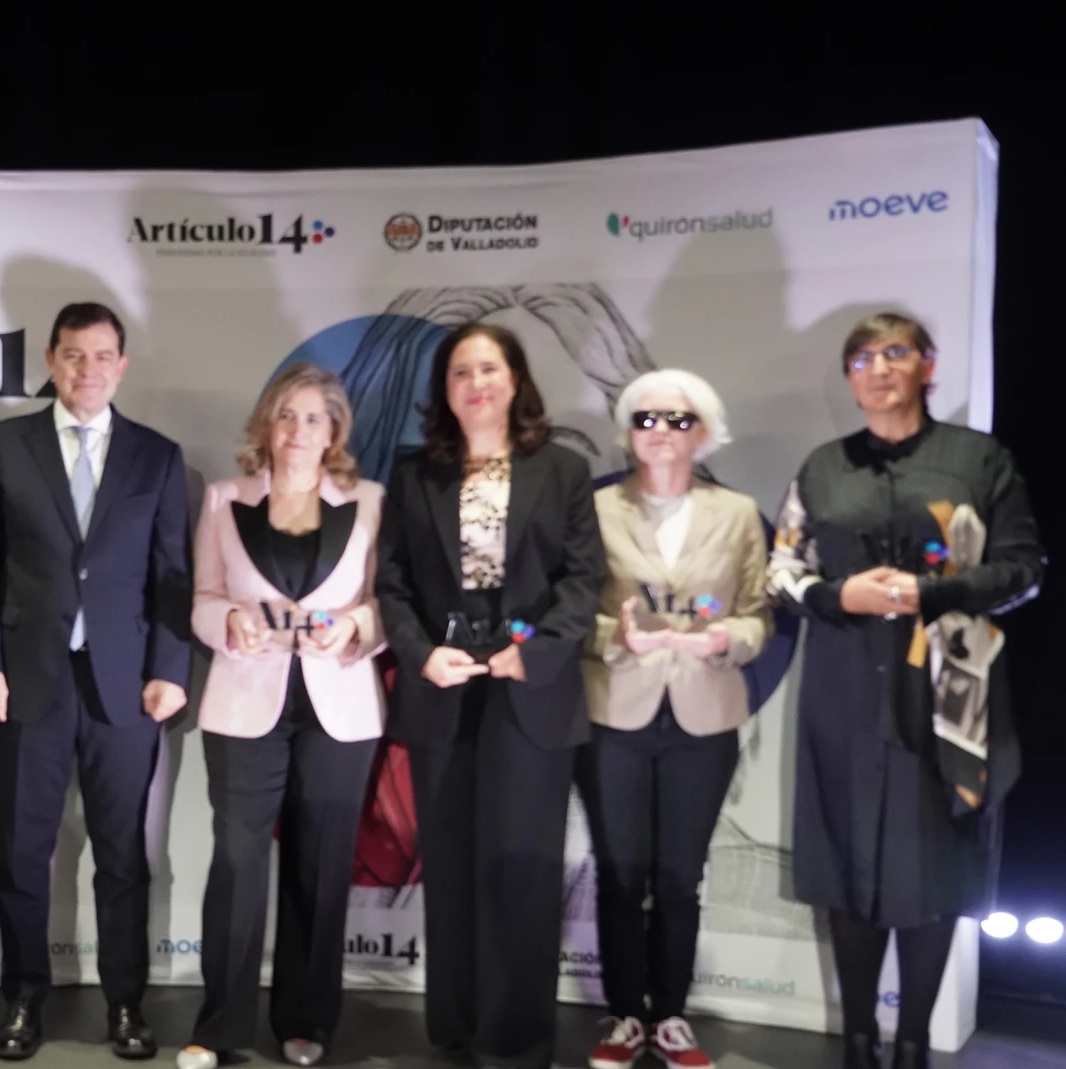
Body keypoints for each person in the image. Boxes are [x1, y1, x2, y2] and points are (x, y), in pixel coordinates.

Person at [767, 313, 1043, 1069]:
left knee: (935, 861)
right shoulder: (822, 467)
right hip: (843, 689)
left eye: (896, 353)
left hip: (950, 693)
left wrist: (931, 589)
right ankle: (859, 1042)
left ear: (928, 365)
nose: (878, 367)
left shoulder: (979, 460)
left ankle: (914, 1043)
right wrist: (838, 595)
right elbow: (782, 570)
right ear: (850, 375)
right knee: (849, 863)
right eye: (862, 356)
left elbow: (1023, 568)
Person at [0, 301, 192, 1061]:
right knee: (24, 850)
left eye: (102, 356)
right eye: (73, 355)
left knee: (122, 853)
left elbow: (172, 576)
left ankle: (125, 1001)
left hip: (125, 688)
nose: (87, 369)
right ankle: (24, 998)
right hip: (26, 683)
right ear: (51, 361)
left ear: (121, 364)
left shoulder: (157, 457)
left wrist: (170, 670)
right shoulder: (4, 448)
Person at [374, 322, 606, 1069]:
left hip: (527, 691)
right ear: (444, 390)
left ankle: (514, 1040)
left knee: (521, 868)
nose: (476, 383)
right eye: (459, 372)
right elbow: (393, 584)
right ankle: (456, 1024)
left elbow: (582, 581)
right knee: (450, 868)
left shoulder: (563, 470)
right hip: (444, 687)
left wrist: (530, 654)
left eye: (489, 368)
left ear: (515, 380)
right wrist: (420, 655)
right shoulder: (415, 475)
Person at [176, 364, 388, 1069]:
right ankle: (220, 1025)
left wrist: (356, 626)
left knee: (320, 867)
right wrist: (228, 618)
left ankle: (305, 1019)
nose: (299, 430)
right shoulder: (221, 500)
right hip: (245, 702)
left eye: (314, 419)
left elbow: (389, 604)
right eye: (287, 415)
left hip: (339, 707)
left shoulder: (370, 501)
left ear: (335, 433)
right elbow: (201, 596)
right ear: (267, 422)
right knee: (237, 865)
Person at [578, 370, 771, 1069]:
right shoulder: (595, 509)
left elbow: (759, 611)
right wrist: (614, 636)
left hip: (705, 708)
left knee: (680, 873)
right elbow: (570, 608)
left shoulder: (739, 513)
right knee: (620, 872)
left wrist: (727, 640)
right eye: (646, 417)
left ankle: (671, 1017)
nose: (660, 430)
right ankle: (625, 1014)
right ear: (628, 429)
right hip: (614, 707)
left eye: (677, 419)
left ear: (705, 430)